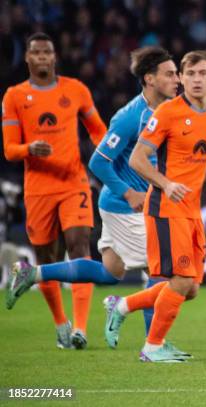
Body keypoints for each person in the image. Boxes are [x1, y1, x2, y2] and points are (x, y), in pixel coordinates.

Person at [4, 47, 181, 343]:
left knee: (110, 272)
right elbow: (99, 161)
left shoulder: (166, 111)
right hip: (126, 206)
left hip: (126, 204)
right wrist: (128, 193)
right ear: (150, 79)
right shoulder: (130, 117)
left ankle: (32, 273)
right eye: (170, 74)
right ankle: (154, 344)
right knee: (162, 272)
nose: (177, 79)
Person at [102, 50, 206, 362]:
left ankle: (122, 306)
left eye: (203, 73)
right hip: (164, 206)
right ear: (182, 79)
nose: (196, 80)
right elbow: (136, 159)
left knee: (191, 288)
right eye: (190, 74)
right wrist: (166, 183)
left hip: (191, 209)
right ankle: (152, 347)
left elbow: (199, 156)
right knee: (182, 280)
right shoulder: (168, 113)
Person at [2, 32, 107, 349]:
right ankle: (61, 324)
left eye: (47, 52)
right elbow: (9, 150)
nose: (43, 57)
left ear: (55, 56)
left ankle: (81, 328)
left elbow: (98, 130)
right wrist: (29, 149)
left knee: (80, 246)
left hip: (74, 182)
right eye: (36, 52)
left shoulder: (75, 90)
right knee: (45, 259)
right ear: (28, 58)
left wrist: (105, 162)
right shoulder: (14, 96)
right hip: (38, 189)